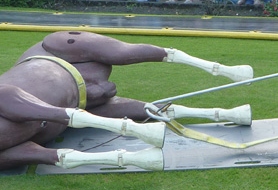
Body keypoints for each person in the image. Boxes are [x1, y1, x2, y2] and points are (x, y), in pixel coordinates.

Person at [0, 31, 254, 171]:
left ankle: (219, 68)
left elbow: (13, 98)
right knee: (140, 108)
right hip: (81, 100)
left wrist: (128, 130)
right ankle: (226, 114)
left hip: (55, 57)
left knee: (124, 52)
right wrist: (121, 157)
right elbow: (31, 154)